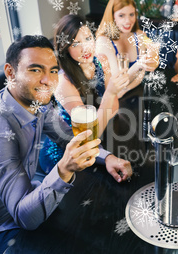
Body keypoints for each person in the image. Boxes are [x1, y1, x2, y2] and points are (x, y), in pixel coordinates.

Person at [0, 35, 132, 253]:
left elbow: (66, 137)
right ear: (10, 72)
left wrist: (108, 158)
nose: (48, 80)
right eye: (35, 70)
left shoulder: (37, 101)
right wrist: (64, 170)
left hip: (31, 190)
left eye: (53, 70)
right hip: (0, 227)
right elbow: (24, 218)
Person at [39, 14, 129, 173]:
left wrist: (110, 97)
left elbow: (114, 108)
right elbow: (88, 137)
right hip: (66, 152)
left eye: (88, 38)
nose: (85, 48)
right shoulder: (62, 82)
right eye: (75, 43)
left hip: (96, 140)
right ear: (65, 48)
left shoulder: (101, 60)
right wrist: (109, 94)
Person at [95, 0, 158, 90]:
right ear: (112, 16)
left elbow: (140, 76)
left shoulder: (140, 35)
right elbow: (116, 84)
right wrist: (139, 65)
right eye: (121, 15)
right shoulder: (103, 42)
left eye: (131, 14)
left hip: (131, 93)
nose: (128, 21)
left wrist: (125, 90)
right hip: (108, 100)